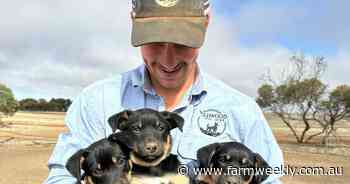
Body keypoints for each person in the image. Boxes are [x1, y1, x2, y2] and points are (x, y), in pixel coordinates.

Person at [44, 0, 284, 183]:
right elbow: (62, 177)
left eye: (183, 42)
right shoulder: (96, 101)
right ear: (133, 19)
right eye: (155, 41)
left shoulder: (242, 110)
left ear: (206, 22)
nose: (168, 61)